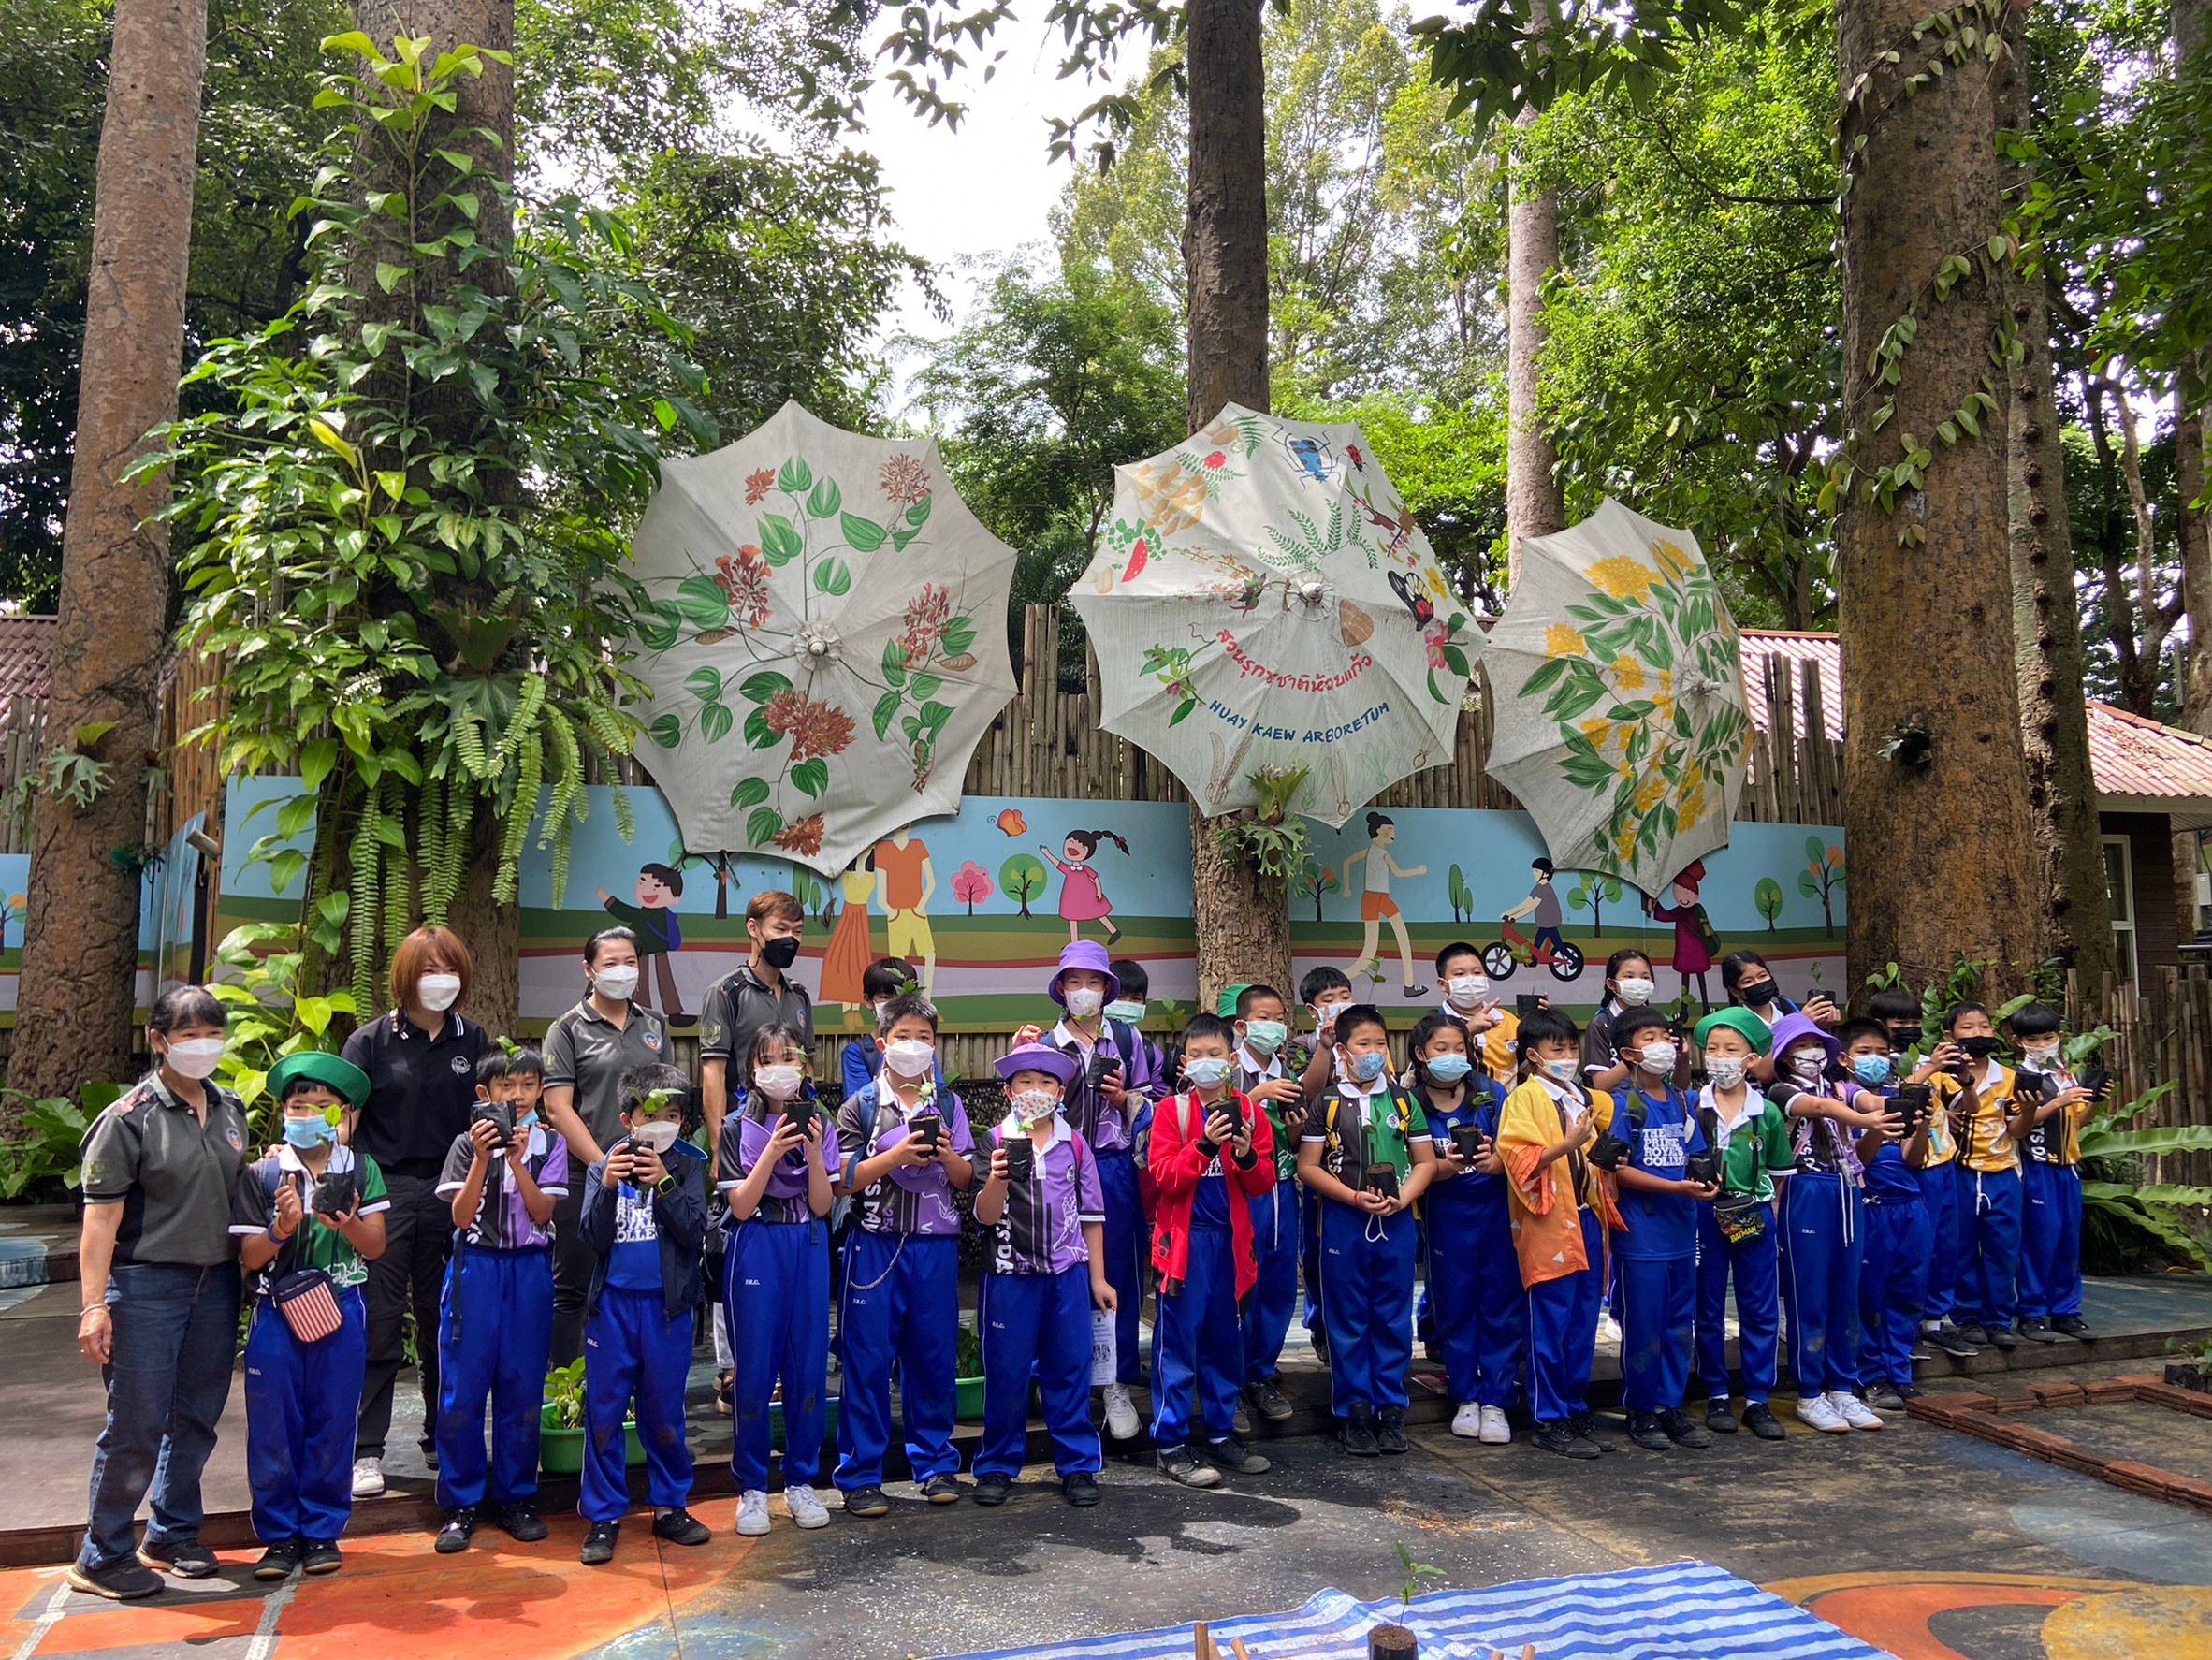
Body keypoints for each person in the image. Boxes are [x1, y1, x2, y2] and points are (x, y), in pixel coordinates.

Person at [71, 987, 247, 1600]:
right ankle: (103, 1552)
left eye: (213, 1033)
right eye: (189, 1034)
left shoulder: (230, 1108)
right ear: (158, 1040)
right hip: (145, 1285)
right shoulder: (128, 1119)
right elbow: (100, 1219)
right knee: (137, 1421)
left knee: (196, 1416)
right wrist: (94, 1305)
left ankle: (171, 1532)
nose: (204, 1045)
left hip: (216, 1283)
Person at [341, 925, 487, 1499]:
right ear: (405, 977)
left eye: (449, 970)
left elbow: (487, 1112)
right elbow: (344, 1123)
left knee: (441, 1315)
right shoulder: (370, 1042)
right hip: (385, 1189)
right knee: (380, 1316)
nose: (441, 981)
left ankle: (441, 1434)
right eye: (429, 970)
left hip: (450, 1190)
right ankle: (366, 1449)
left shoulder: (473, 1038)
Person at [232, 1051, 386, 1580]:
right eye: (299, 1105)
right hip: (277, 1311)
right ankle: (279, 1536)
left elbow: (375, 1246)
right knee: (273, 1425)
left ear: (342, 1114)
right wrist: (280, 1228)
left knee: (333, 1419)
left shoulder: (360, 1169)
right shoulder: (264, 1173)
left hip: (341, 1307)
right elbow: (249, 1257)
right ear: (283, 1112)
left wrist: (345, 1223)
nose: (309, 1114)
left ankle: (322, 1530)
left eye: (323, 1106)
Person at [1011, 940, 1162, 1442]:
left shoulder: (1127, 1039)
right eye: (1073, 982)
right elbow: (1020, 1111)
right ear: (1060, 988)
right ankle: (1049, 1375)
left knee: (1116, 1271)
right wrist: (1019, 1057)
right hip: (1056, 1164)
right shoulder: (1043, 1044)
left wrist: (1124, 1099)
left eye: (1093, 982)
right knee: (1050, 1268)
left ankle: (1114, 1379)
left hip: (1114, 1165)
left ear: (1106, 988)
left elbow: (1157, 1101)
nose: (1083, 991)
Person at [832, 992, 975, 1516]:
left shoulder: (949, 1105)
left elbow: (968, 1178)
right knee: (866, 1359)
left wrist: (947, 1154)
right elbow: (841, 1179)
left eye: (924, 1038)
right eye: (903, 1037)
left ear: (935, 1046)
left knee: (932, 1358)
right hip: (874, 1245)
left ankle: (934, 1463)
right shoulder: (860, 1106)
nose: (914, 1046)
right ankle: (860, 1475)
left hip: (935, 1247)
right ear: (882, 1043)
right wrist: (893, 1155)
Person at [575, 1062, 713, 1565]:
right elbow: (590, 1237)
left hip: (666, 1311)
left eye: (673, 1115)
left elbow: (695, 1230)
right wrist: (609, 1187)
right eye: (652, 1115)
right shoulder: (602, 1167)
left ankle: (670, 1505)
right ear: (628, 1119)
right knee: (604, 1411)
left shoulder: (689, 1165)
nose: (663, 1124)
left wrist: (665, 1185)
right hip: (612, 1309)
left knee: (664, 1411)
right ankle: (604, 1515)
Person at [431, 1048, 565, 1552]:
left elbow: (542, 1212)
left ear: (540, 1091)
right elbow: (461, 1217)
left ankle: (517, 1497)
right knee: (462, 1389)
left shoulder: (549, 1143)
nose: (518, 1096)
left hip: (528, 1270)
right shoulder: (465, 1145)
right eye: (507, 1087)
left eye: (528, 1086)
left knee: (522, 1387)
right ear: (484, 1093)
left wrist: (517, 1162)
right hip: (476, 1268)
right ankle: (460, 1503)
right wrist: (485, 1157)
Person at [972, 1042, 1113, 1507]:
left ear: (1060, 1092)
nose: (1036, 1090)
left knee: (1070, 1369)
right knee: (1006, 1372)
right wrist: (996, 1178)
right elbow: (984, 1216)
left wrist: (1098, 1279)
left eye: (1046, 1082)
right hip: (1009, 1276)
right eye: (1026, 1082)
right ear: (1009, 1091)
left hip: (1067, 1275)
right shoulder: (994, 1141)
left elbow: (1091, 1215)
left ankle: (1077, 1464)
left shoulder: (1075, 1144)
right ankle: (996, 1465)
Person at [1297, 1002, 1435, 1457]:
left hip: (1397, 1223)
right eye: (1363, 1044)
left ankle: (1391, 1409)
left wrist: (1404, 1197)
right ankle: (1354, 1411)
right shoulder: (1327, 1103)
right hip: (1343, 1222)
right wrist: (1353, 1198)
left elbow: (1425, 1162)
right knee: (1348, 1319)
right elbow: (1308, 1167)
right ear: (1342, 1050)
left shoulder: (1403, 1101)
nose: (1373, 1052)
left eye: (1380, 1043)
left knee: (1392, 1317)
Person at [718, 1023, 837, 1536]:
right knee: (754, 1369)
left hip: (807, 1243)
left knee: (808, 1367)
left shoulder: (821, 1122)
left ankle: (800, 1481)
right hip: (757, 1245)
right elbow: (741, 1206)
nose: (779, 1069)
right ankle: (751, 1488)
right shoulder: (734, 1127)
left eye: (789, 1058)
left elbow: (823, 1205)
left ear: (805, 1066)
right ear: (752, 1070)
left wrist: (813, 1153)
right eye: (767, 1060)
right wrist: (771, 1150)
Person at [1148, 1012, 1277, 1486]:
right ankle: (1170, 1444)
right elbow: (1164, 1177)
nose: (1206, 1062)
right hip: (1185, 1246)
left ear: (1231, 1059)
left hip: (1231, 1245)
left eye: (1215, 1054)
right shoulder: (1173, 1112)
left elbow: (1263, 1181)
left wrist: (1244, 1154)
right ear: (1184, 1063)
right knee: (1177, 1344)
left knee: (1225, 1342)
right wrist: (1203, 1145)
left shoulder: (1250, 1112)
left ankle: (1221, 1435)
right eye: (1197, 1055)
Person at [542, 926, 675, 1365]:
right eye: (610, 963)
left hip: (648, 1173)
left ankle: (627, 1383)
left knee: (636, 1282)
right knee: (574, 1287)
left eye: (630, 962)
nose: (622, 971)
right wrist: (605, 1167)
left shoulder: (654, 1024)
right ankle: (564, 1388)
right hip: (586, 1175)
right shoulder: (566, 1029)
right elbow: (558, 1108)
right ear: (589, 970)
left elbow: (667, 1097)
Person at [1496, 1006, 1621, 1459]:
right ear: (1533, 1055)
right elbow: (1517, 1159)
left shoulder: (1581, 1096)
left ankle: (1574, 1405)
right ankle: (1548, 1416)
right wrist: (1566, 1145)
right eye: (1558, 1049)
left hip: (1587, 1216)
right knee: (1549, 1322)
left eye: (1571, 1047)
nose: (1568, 1056)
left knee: (1583, 1322)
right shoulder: (1522, 1099)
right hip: (1548, 1221)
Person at [1766, 1013, 1891, 1433]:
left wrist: (1898, 1106)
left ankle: (1842, 1387)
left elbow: (1869, 1102)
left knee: (1846, 1293)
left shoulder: (1840, 1087)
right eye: (1800, 1046)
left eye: (1816, 1043)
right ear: (1785, 1057)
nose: (1811, 1052)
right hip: (1805, 1190)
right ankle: (1809, 1392)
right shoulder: (1781, 1090)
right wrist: (1866, 1120)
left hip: (1847, 1188)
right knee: (1809, 1295)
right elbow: (1818, 1109)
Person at [1604, 1009, 1714, 1452]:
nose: (1662, 1046)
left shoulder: (1680, 1100)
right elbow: (1616, 1168)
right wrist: (1673, 1187)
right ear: (1628, 1052)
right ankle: (1641, 1408)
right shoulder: (1622, 1104)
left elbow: (1695, 1155)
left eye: (1665, 1037)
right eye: (1649, 1038)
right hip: (1641, 1235)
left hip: (1681, 1233)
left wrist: (1704, 1183)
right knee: (1644, 1325)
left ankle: (1670, 1405)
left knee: (1678, 1325)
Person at [1408, 1012, 1519, 1446]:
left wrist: (1496, 1162)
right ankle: (1465, 1396)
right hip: (1445, 1216)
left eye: (1459, 1048)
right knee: (1454, 1307)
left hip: (1495, 1214)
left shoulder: (1492, 1094)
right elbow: (1410, 1164)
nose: (1453, 1056)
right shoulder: (1410, 1102)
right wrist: (1443, 1167)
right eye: (1441, 1048)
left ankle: (1496, 1400)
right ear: (1421, 1054)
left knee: (1499, 1306)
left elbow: (1518, 1151)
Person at [1689, 1008, 1793, 1441]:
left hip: (1754, 1214)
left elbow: (1780, 1171)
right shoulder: (1693, 1104)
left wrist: (1764, 1208)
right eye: (1712, 1048)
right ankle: (1716, 1392)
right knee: (1708, 1304)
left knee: (1759, 1307)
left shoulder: (1766, 1111)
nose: (1720, 1057)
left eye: (1731, 1049)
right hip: (1704, 1214)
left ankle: (1757, 1399)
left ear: (1751, 1059)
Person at [1869, 983, 1976, 1357]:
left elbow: (1967, 1105)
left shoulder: (1930, 1061)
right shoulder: (1879, 1064)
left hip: (1943, 1162)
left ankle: (1935, 1320)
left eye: (1915, 1021)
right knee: (1915, 1250)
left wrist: (1964, 1076)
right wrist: (1930, 1068)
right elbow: (1891, 1100)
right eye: (1900, 1022)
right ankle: (1904, 1326)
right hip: (1908, 1167)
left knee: (1946, 1245)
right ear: (1881, 1025)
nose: (1910, 1029)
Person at [1931, 1002, 2037, 1351]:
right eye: (1968, 1028)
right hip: (1958, 1171)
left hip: (2002, 1174)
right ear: (1949, 1035)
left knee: (2003, 1249)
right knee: (1959, 1246)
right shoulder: (1939, 1076)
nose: (1978, 1033)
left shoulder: (2008, 1077)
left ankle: (1999, 1319)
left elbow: (2016, 1130)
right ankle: (1967, 1316)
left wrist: (2031, 1111)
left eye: (1985, 1027)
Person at [1842, 1019, 1934, 1415]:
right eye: (1864, 1053)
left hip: (1910, 1208)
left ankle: (1899, 1371)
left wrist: (1923, 1122)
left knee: (1908, 1292)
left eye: (1882, 1053)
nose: (1875, 1060)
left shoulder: (1901, 1098)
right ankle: (1870, 1374)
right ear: (1844, 1059)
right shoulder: (1843, 1102)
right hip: (1871, 1207)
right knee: (1868, 1295)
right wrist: (1878, 1129)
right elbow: (1858, 1161)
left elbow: (1915, 1159)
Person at [1228, 983, 1304, 1427]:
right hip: (1238, 1189)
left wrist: (1294, 1126)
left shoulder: (1288, 1071)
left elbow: (1293, 1138)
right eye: (1263, 1018)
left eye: (1279, 1018)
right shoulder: (1228, 1069)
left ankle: (1261, 1373)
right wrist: (1256, 1096)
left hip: (1281, 1185)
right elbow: (1216, 1119)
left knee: (1277, 1280)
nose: (1273, 1026)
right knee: (1239, 1282)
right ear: (1242, 1025)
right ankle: (1229, 1378)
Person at [700, 890, 814, 1167]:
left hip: (794, 1131)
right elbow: (713, 1073)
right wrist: (718, 1148)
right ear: (753, 928)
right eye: (780, 929)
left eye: (797, 931)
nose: (790, 939)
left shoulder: (799, 994)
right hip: (743, 1128)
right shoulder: (726, 992)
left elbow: (807, 1068)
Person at [2009, 1003, 2098, 1342]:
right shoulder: (2019, 1076)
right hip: (2037, 1166)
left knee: (2067, 1242)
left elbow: (2076, 1123)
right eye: (2033, 1039)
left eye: (2048, 1037)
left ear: (2059, 1036)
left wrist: (2094, 1101)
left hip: (2068, 1168)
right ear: (2019, 1041)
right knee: (2038, 1241)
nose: (2042, 1044)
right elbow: (2020, 1125)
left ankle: (2066, 1311)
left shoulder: (2065, 1074)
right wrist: (2057, 1102)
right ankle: (2031, 1313)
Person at [1295, 967, 1357, 1359]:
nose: (1339, 1004)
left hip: (1363, 1159)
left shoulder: (1367, 1038)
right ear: (1312, 1009)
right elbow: (1307, 1092)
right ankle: (1321, 1327)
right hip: (1320, 1162)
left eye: (1344, 995)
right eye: (1329, 999)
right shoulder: (1299, 1045)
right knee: (1318, 1248)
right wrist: (1324, 1046)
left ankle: (1355, 1326)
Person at [1343, 812, 1429, 997]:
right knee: (1370, 950)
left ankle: (1409, 985)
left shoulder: (1372, 852)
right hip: (1373, 899)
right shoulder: (1381, 854)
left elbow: (1347, 863)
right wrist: (1418, 870)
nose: (1393, 833)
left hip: (1380, 898)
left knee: (1400, 938)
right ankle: (1337, 978)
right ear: (1378, 831)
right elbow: (1398, 873)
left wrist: (1348, 888)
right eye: (1389, 829)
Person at [594, 863, 690, 1023]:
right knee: (640, 979)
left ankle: (672, 1013)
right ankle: (643, 1012)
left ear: (675, 898)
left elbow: (624, 912)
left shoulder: (660, 915)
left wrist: (605, 897)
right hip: (641, 950)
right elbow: (624, 912)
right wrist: (604, 897)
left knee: (663, 979)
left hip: (658, 949)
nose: (647, 890)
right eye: (642, 882)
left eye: (657, 886)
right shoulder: (646, 914)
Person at [1433, 941, 1516, 1084]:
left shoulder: (1508, 1020)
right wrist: (1466, 1032)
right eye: (1460, 974)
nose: (1470, 979)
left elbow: (1530, 1068)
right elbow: (1426, 1073)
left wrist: (1540, 1024)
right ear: (1442, 984)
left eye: (1477, 972)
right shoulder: (1433, 1025)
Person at [1581, 951, 1664, 1092]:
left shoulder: (1658, 1022)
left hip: (1655, 1100)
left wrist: (1682, 1057)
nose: (1638, 983)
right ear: (1611, 984)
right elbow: (1600, 1085)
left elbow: (1679, 1083)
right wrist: (1634, 1057)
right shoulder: (1601, 1024)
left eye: (1645, 977)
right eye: (1629, 977)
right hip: (1618, 1102)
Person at [838, 957, 920, 1098]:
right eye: (886, 997)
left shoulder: (921, 1047)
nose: (895, 1005)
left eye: (902, 997)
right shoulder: (856, 1053)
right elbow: (860, 1103)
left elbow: (935, 1093)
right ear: (869, 1001)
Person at [872, 826, 938, 997]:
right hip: (896, 914)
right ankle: (901, 1002)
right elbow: (880, 895)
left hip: (917, 911)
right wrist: (892, 913)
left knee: (929, 955)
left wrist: (919, 907)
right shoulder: (884, 849)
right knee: (897, 962)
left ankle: (927, 1000)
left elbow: (931, 882)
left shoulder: (917, 846)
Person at [1042, 827, 1130, 945]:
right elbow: (1057, 863)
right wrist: (1047, 853)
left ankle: (1114, 931)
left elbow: (1095, 878)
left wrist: (1099, 892)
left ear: (1087, 853)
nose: (1075, 847)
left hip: (1088, 895)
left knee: (1099, 913)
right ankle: (1074, 944)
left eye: (1082, 847)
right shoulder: (1068, 869)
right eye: (1071, 842)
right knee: (1072, 917)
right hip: (1072, 897)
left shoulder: (1086, 869)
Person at [1721, 950, 1841, 1030]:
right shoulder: (1735, 1024)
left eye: (1762, 976)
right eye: (1748, 981)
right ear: (1734, 991)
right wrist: (1801, 1022)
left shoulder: (1787, 1007)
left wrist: (1821, 1027)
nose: (1758, 983)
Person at [1499, 856, 1565, 962]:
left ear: (1545, 874)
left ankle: (1574, 960)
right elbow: (1526, 903)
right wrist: (1509, 913)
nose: (1534, 873)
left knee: (1559, 946)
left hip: (1549, 924)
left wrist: (1515, 916)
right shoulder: (1538, 888)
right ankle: (1534, 961)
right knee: (1536, 947)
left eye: (1537, 871)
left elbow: (1531, 906)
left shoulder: (1545, 889)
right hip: (1544, 923)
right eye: (1534, 871)